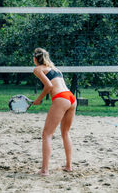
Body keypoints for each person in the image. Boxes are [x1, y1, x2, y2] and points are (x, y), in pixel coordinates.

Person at [32, 48, 76, 176]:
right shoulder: (56, 69)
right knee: (65, 133)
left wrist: (38, 99)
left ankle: (45, 170)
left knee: (47, 134)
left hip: (61, 98)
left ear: (35, 59)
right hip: (71, 98)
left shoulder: (38, 69)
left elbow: (49, 86)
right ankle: (68, 166)